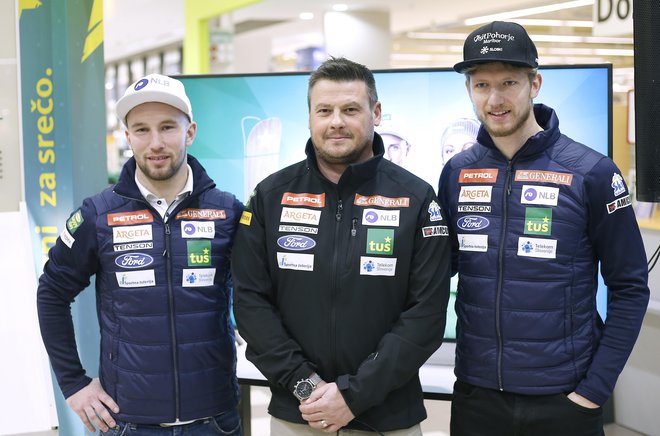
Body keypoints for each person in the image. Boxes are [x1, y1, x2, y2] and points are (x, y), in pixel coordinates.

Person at [437, 21, 650, 436]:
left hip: (564, 399)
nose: (494, 99)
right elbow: (434, 270)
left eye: (509, 82)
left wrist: (594, 389)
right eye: (481, 85)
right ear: (469, 90)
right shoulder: (457, 172)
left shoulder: (592, 172)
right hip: (477, 397)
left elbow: (630, 286)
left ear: (535, 83)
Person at [231, 57, 451, 435]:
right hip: (298, 412)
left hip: (388, 416)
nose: (336, 122)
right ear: (310, 117)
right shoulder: (270, 195)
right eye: (325, 110)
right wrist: (306, 386)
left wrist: (354, 396)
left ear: (376, 112)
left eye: (350, 109)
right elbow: (250, 301)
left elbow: (426, 314)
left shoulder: (416, 198)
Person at [37, 74, 244, 435]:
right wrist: (73, 384)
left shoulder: (228, 212)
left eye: (167, 127)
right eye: (142, 130)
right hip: (129, 421)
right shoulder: (98, 215)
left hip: (213, 420)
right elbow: (52, 293)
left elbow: (265, 295)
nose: (156, 143)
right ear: (128, 136)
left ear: (190, 132)